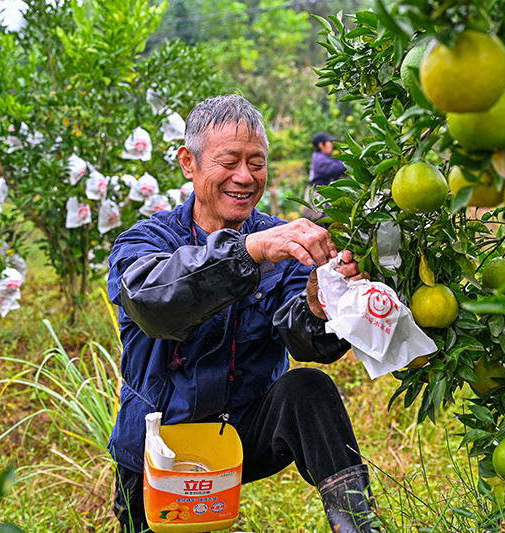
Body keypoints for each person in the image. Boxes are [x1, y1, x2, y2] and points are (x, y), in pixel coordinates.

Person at [106, 94, 379, 533]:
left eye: (257, 162)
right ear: (188, 163)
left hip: (239, 433)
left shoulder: (278, 238)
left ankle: (357, 525)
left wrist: (319, 300)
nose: (245, 177)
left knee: (308, 388)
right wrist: (247, 251)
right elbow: (153, 304)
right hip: (158, 447)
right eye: (230, 161)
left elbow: (308, 340)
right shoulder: (146, 240)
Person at [301, 131, 347, 223]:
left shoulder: (324, 156)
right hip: (320, 196)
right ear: (321, 145)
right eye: (329, 142)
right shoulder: (319, 158)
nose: (331, 144)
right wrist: (351, 163)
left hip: (324, 195)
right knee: (325, 222)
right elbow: (334, 168)